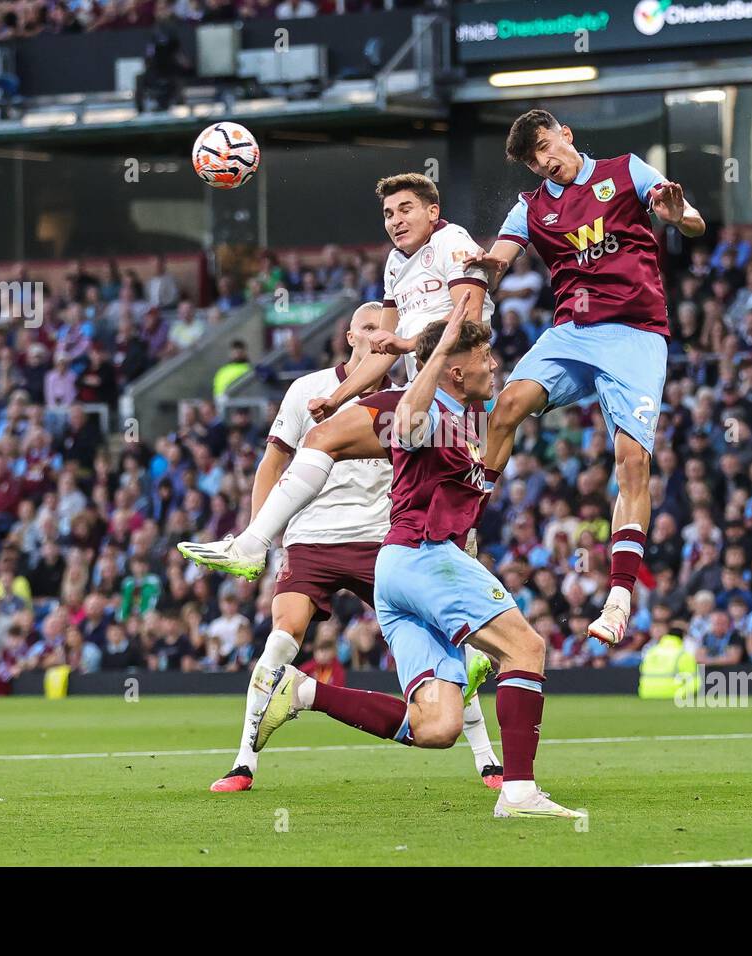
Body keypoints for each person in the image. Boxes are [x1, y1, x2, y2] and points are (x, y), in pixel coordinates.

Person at [252, 307, 583, 819]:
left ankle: (302, 691)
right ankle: (519, 793)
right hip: (425, 556)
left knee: (437, 727)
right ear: (455, 369)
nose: (493, 365)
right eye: (483, 356)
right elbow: (406, 421)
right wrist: (440, 342)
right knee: (526, 647)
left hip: (396, 572)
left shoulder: (464, 419)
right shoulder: (427, 416)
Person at [202, 302, 502, 793]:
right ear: (349, 337)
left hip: (382, 540)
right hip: (312, 538)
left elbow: (446, 480)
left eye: (385, 330)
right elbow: (271, 463)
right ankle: (243, 762)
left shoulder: (415, 396)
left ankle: (487, 759)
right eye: (367, 328)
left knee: (442, 642)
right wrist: (264, 534)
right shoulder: (309, 389)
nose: (376, 336)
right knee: (281, 638)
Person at [465, 109, 706, 645]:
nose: (545, 162)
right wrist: (480, 264)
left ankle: (619, 598)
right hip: (572, 332)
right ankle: (465, 527)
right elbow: (499, 258)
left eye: (547, 147)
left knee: (632, 460)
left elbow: (694, 221)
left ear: (566, 135)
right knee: (506, 407)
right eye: (534, 160)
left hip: (636, 334)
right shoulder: (532, 207)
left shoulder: (625, 171)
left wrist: (675, 215)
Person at [178, 172, 493, 578]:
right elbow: (383, 347)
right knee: (329, 441)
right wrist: (339, 396)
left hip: (459, 401)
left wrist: (405, 344)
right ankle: (253, 544)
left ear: (433, 211)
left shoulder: (454, 243)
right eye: (387, 213)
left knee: (449, 533)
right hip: (423, 405)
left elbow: (467, 322)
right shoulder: (396, 264)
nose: (395, 220)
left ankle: (253, 545)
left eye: (405, 209)